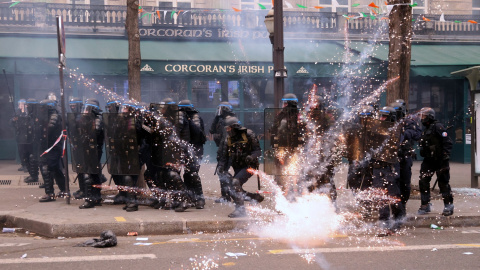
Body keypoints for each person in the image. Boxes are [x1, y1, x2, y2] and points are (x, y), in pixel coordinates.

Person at [217, 116, 263, 218]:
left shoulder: (248, 134)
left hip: (250, 166)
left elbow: (258, 151)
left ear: (234, 127)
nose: (227, 131)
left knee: (235, 183)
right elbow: (224, 157)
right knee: (231, 188)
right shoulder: (228, 139)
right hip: (237, 166)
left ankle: (240, 210)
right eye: (226, 129)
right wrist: (221, 167)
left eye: (229, 128)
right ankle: (253, 197)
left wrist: (251, 157)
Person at [371, 106, 403, 232]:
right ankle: (384, 221)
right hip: (377, 167)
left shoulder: (396, 130)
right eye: (381, 116)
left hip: (390, 167)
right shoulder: (376, 129)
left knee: (392, 195)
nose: (381, 118)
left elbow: (395, 145)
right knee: (380, 195)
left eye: (384, 116)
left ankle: (398, 219)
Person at [418, 107, 454, 216]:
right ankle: (425, 205)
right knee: (423, 181)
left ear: (430, 116)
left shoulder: (438, 127)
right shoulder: (425, 129)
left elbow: (447, 142)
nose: (422, 118)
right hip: (428, 160)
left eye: (424, 116)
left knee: (443, 183)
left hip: (440, 160)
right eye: (421, 115)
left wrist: (445, 156)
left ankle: (448, 205)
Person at [390, 100, 421, 218]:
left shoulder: (409, 122)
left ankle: (402, 205)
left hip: (405, 156)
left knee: (404, 182)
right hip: (392, 157)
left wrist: (404, 132)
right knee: (393, 182)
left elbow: (417, 134)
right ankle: (396, 208)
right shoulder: (389, 121)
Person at [268, 93, 302, 193]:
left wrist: (275, 146)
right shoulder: (300, 115)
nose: (283, 105)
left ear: (287, 104)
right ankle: (290, 192)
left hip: (285, 149)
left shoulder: (283, 116)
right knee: (291, 171)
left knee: (283, 171)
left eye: (284, 103)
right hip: (293, 149)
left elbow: (276, 132)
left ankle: (283, 192)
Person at [178, 100, 207, 209]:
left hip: (196, 149)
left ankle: (200, 198)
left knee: (192, 173)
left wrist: (189, 121)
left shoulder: (195, 118)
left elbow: (197, 133)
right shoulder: (180, 118)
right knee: (185, 174)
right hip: (184, 149)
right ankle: (190, 197)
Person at [77, 99, 105, 209]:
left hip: (94, 150)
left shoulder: (97, 120)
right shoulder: (88, 120)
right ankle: (96, 197)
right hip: (88, 150)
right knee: (94, 174)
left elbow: (94, 134)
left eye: (88, 109)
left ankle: (89, 199)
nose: (85, 112)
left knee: (88, 174)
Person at [38, 99, 66, 202]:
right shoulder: (47, 116)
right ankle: (64, 190)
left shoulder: (54, 117)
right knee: (55, 169)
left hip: (53, 147)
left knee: (47, 168)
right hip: (48, 146)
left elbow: (48, 132)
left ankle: (50, 193)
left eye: (42, 107)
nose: (41, 109)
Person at [209, 102, 236, 203]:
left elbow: (225, 139)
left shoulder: (228, 121)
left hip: (226, 151)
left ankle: (230, 194)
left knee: (222, 172)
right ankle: (227, 195)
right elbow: (211, 130)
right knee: (222, 172)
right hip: (225, 150)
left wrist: (221, 154)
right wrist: (216, 118)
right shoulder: (222, 120)